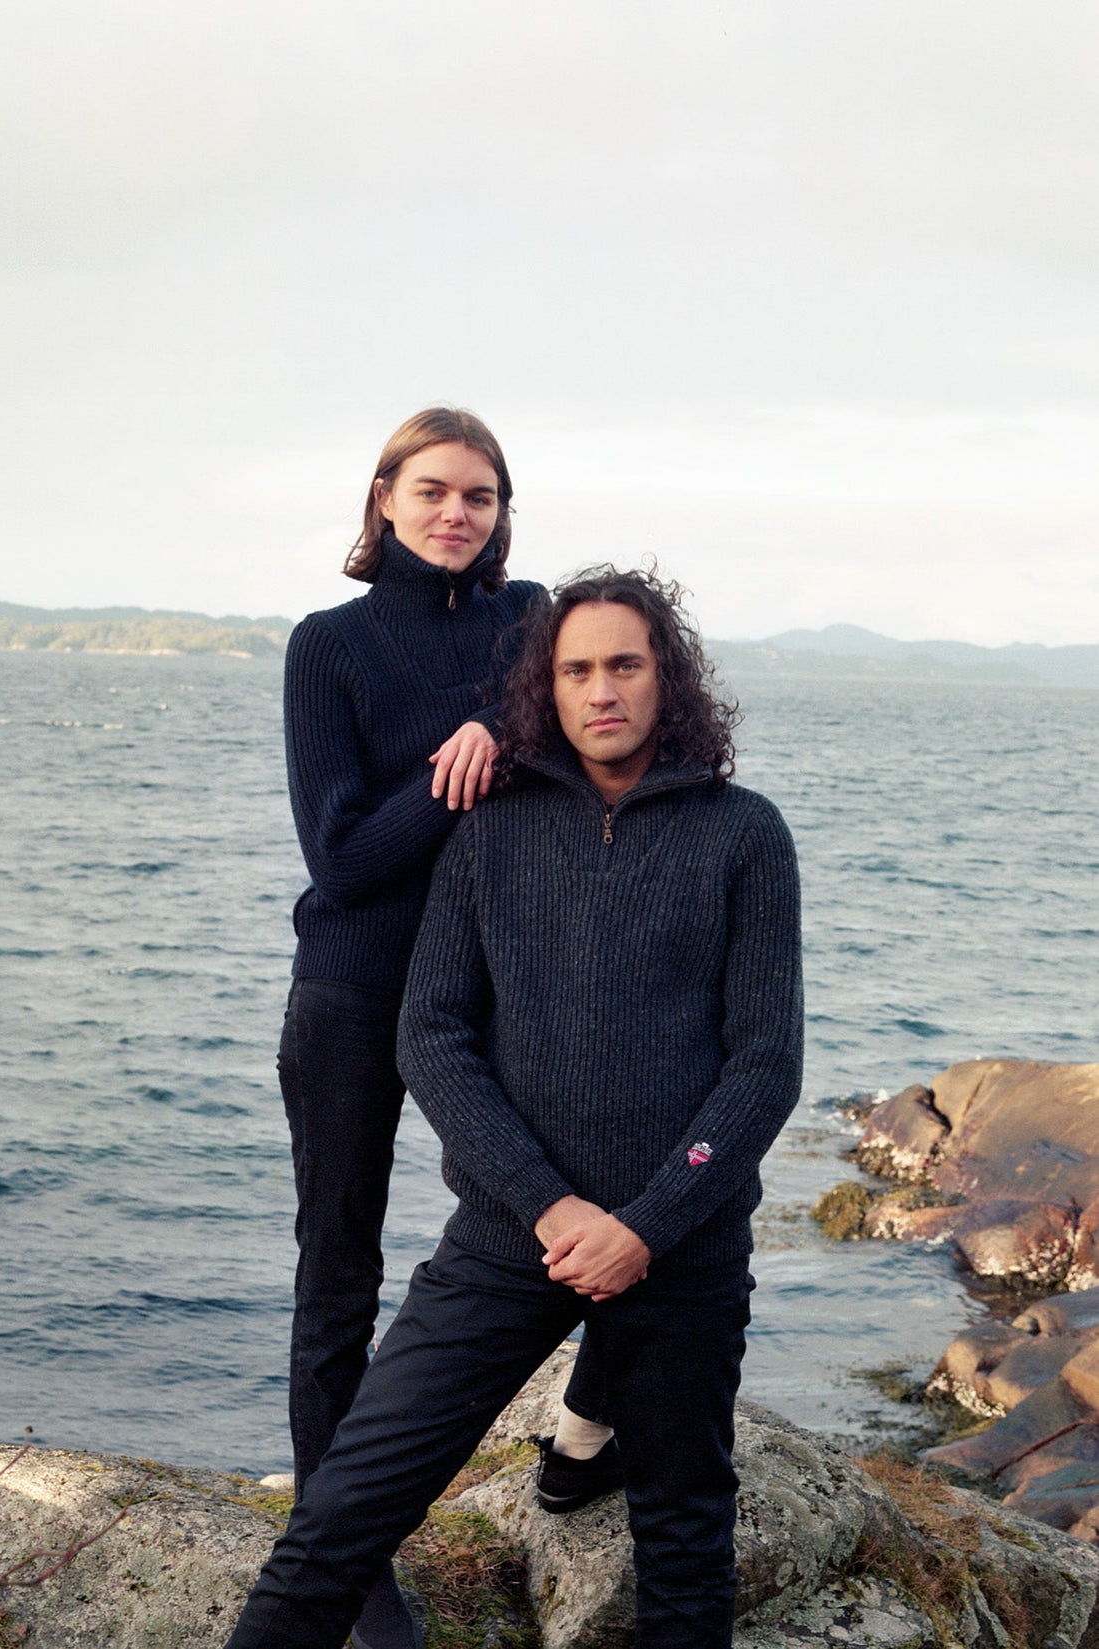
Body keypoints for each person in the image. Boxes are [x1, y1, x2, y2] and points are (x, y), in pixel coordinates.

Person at [228, 566, 803, 1649]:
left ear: (664, 677)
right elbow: (430, 1036)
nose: (600, 690)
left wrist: (643, 1224)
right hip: (505, 1241)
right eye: (574, 668)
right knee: (336, 1520)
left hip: (675, 1250)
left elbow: (764, 1065)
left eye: (623, 663)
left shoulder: (744, 835)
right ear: (545, 686)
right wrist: (551, 1208)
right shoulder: (488, 832)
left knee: (683, 1540)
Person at [278, 406, 549, 1648]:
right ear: (382, 497)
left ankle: (589, 1427)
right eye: (433, 489)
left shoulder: (526, 624)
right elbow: (338, 859)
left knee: (551, 1217)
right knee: (339, 1270)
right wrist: (460, 769)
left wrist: (504, 728)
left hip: (488, 991)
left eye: (479, 496)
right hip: (350, 990)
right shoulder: (325, 646)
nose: (456, 512)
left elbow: (574, 751)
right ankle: (344, 1558)